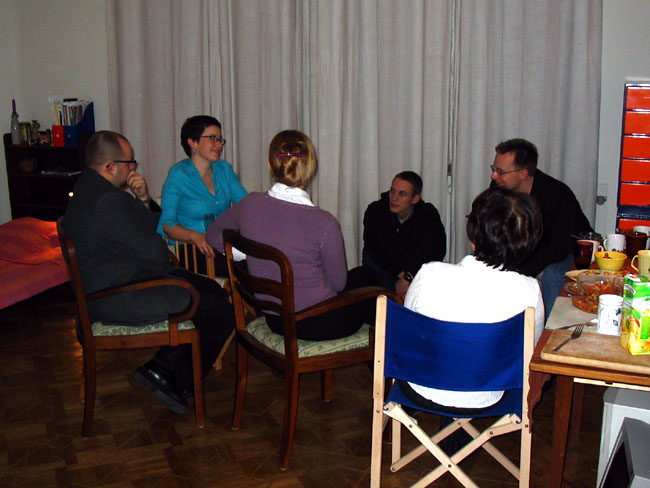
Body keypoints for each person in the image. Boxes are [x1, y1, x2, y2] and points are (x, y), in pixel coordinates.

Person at [64, 130, 235, 415]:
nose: (133, 168)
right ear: (110, 166)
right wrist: (158, 240)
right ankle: (178, 381)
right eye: (129, 162)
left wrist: (143, 198)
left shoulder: (90, 189)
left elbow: (151, 221)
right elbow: (156, 254)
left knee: (213, 291)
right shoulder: (108, 201)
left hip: (121, 277)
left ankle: (161, 368)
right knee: (219, 310)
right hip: (117, 293)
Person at [206, 129, 373, 340]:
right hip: (318, 322)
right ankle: (380, 357)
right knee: (372, 286)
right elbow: (338, 284)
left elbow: (213, 235)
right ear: (311, 167)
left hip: (274, 318)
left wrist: (253, 255)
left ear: (270, 165)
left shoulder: (249, 203)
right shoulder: (324, 222)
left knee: (364, 275)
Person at [400, 187, 545, 414]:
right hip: (488, 393)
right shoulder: (530, 291)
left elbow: (410, 333)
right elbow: (528, 353)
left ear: (472, 232)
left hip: (422, 385)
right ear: (528, 242)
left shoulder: (429, 274)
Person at [489, 138, 593, 319]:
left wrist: (519, 270)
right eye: (494, 169)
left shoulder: (558, 196)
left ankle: (547, 327)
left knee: (553, 274)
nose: (494, 176)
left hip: (568, 249)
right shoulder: (499, 188)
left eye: (501, 172)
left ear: (523, 173)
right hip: (525, 247)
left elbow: (557, 248)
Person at [157, 115, 247, 276]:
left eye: (220, 139)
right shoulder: (179, 174)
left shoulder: (224, 169)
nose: (219, 144)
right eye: (212, 138)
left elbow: (245, 206)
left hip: (221, 244)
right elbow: (167, 225)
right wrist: (194, 236)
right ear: (193, 142)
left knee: (259, 262)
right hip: (190, 248)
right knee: (245, 270)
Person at [362, 171, 446, 299]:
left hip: (413, 273)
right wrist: (401, 275)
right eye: (392, 191)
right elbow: (375, 250)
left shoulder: (428, 214)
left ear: (415, 198)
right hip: (384, 270)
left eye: (402, 194)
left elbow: (436, 250)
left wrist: (408, 277)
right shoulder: (375, 211)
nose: (394, 198)